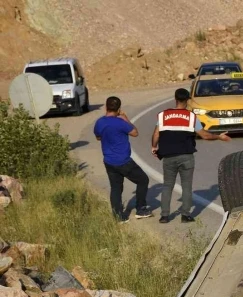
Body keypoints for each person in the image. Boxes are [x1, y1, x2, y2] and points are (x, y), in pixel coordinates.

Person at [151, 88, 231, 224]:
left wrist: (154, 147)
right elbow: (204, 135)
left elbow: (156, 134)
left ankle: (164, 216)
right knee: (186, 186)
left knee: (167, 186)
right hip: (186, 156)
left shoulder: (163, 115)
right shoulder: (191, 117)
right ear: (188, 100)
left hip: (168, 157)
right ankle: (185, 215)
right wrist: (218, 136)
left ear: (175, 99)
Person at [94, 96, 152, 223]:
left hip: (109, 161)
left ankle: (118, 216)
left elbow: (98, 137)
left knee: (115, 188)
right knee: (143, 180)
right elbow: (135, 133)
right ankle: (141, 209)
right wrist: (126, 119)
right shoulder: (121, 123)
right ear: (119, 109)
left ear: (106, 107)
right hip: (123, 161)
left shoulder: (99, 122)